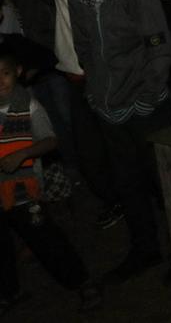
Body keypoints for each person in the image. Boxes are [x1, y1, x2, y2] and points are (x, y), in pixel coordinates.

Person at [0, 0, 123, 231]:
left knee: (121, 150)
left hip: (110, 82)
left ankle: (139, 199)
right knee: (88, 154)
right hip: (75, 83)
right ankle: (116, 200)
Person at [66, 0, 171, 282]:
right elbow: (83, 46)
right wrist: (95, 88)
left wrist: (148, 99)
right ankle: (145, 249)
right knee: (128, 184)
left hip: (144, 108)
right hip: (108, 107)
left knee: (163, 182)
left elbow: (160, 49)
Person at [0, 51, 99, 314]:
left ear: (18, 72)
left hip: (25, 188)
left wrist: (22, 154)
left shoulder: (28, 105)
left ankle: (82, 282)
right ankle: (9, 292)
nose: (0, 81)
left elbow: (50, 140)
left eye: (5, 73)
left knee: (46, 239)